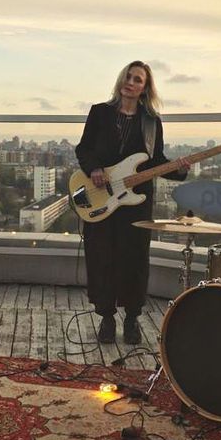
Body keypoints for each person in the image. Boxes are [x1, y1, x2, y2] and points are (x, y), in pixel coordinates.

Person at [75, 61, 188, 345]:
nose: (130, 82)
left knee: (134, 259)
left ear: (145, 88)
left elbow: (156, 161)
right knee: (101, 257)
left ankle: (131, 318)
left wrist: (179, 169)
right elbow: (84, 148)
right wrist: (94, 168)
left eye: (137, 79)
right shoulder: (100, 112)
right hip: (101, 195)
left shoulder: (151, 122)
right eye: (128, 76)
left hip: (136, 203)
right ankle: (106, 317)